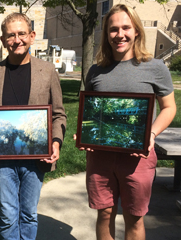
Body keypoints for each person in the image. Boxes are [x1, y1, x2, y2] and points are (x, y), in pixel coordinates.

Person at [73, 4, 176, 240]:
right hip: (100, 156)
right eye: (113, 29)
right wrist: (85, 132)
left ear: (136, 31)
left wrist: (150, 134)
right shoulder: (95, 71)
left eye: (126, 28)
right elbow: (91, 111)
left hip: (138, 157)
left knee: (135, 217)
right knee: (105, 214)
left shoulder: (156, 67)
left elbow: (169, 108)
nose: (120, 34)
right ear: (106, 34)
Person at [0, 12, 67, 240]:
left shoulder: (47, 71)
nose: (17, 40)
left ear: (32, 36)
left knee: (28, 214)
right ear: (4, 40)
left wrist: (55, 143)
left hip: (36, 157)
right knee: (7, 213)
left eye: (22, 34)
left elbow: (58, 114)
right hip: (1, 157)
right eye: (11, 35)